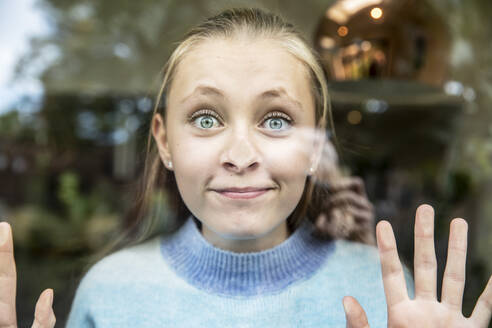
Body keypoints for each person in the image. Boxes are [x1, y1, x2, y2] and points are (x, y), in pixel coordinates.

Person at [0, 7, 491, 328]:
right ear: (164, 141)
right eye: (206, 118)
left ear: (315, 143)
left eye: (276, 120)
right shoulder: (108, 295)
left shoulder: (387, 291)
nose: (240, 155)